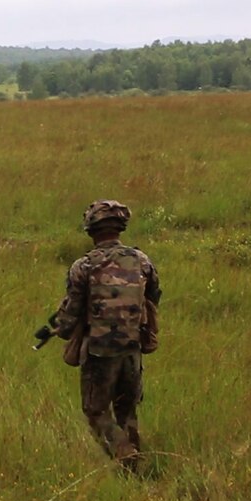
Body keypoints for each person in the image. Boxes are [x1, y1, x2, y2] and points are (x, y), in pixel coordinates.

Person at [52, 200, 161, 468]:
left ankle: (126, 456)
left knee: (96, 411)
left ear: (91, 229)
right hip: (132, 348)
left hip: (99, 351)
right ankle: (134, 471)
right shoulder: (142, 260)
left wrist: (60, 329)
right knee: (127, 411)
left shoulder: (84, 266)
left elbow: (71, 312)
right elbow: (153, 298)